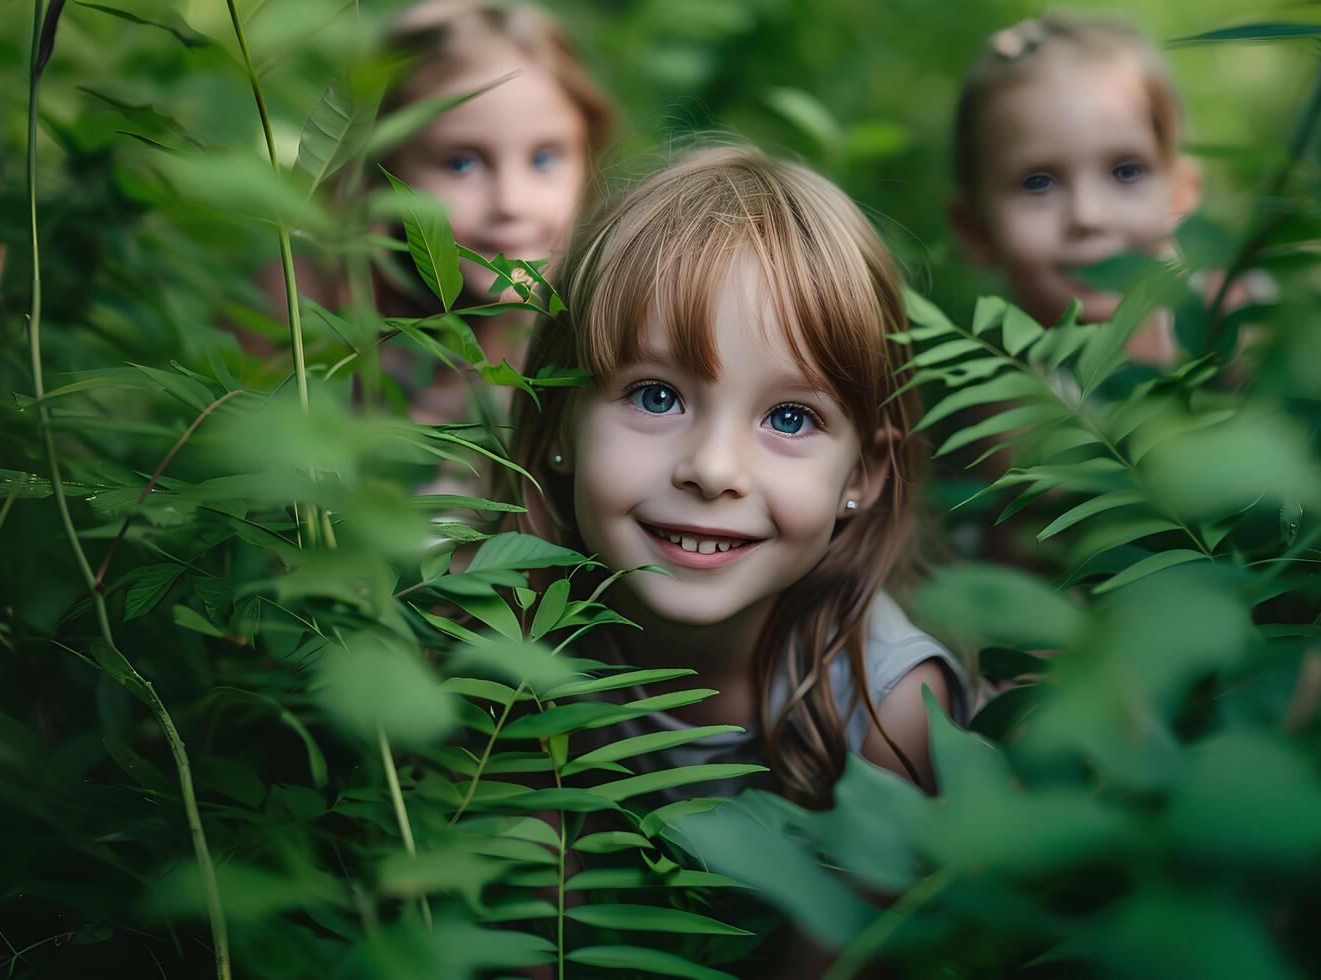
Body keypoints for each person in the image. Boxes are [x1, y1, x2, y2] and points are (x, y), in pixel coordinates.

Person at [510, 145, 973, 809]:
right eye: (656, 396)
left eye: (788, 417)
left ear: (864, 474)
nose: (714, 470)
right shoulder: (505, 655)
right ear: (557, 424)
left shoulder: (890, 713)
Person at [377, 0, 614, 423]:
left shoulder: (606, 343)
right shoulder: (311, 323)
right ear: (385, 168)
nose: (511, 202)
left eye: (544, 159)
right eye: (461, 163)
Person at [948, 13, 1203, 365]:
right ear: (975, 230)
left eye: (1126, 172)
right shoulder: (1003, 405)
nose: (1088, 214)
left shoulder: (1237, 333)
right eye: (1038, 182)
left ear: (1181, 193)